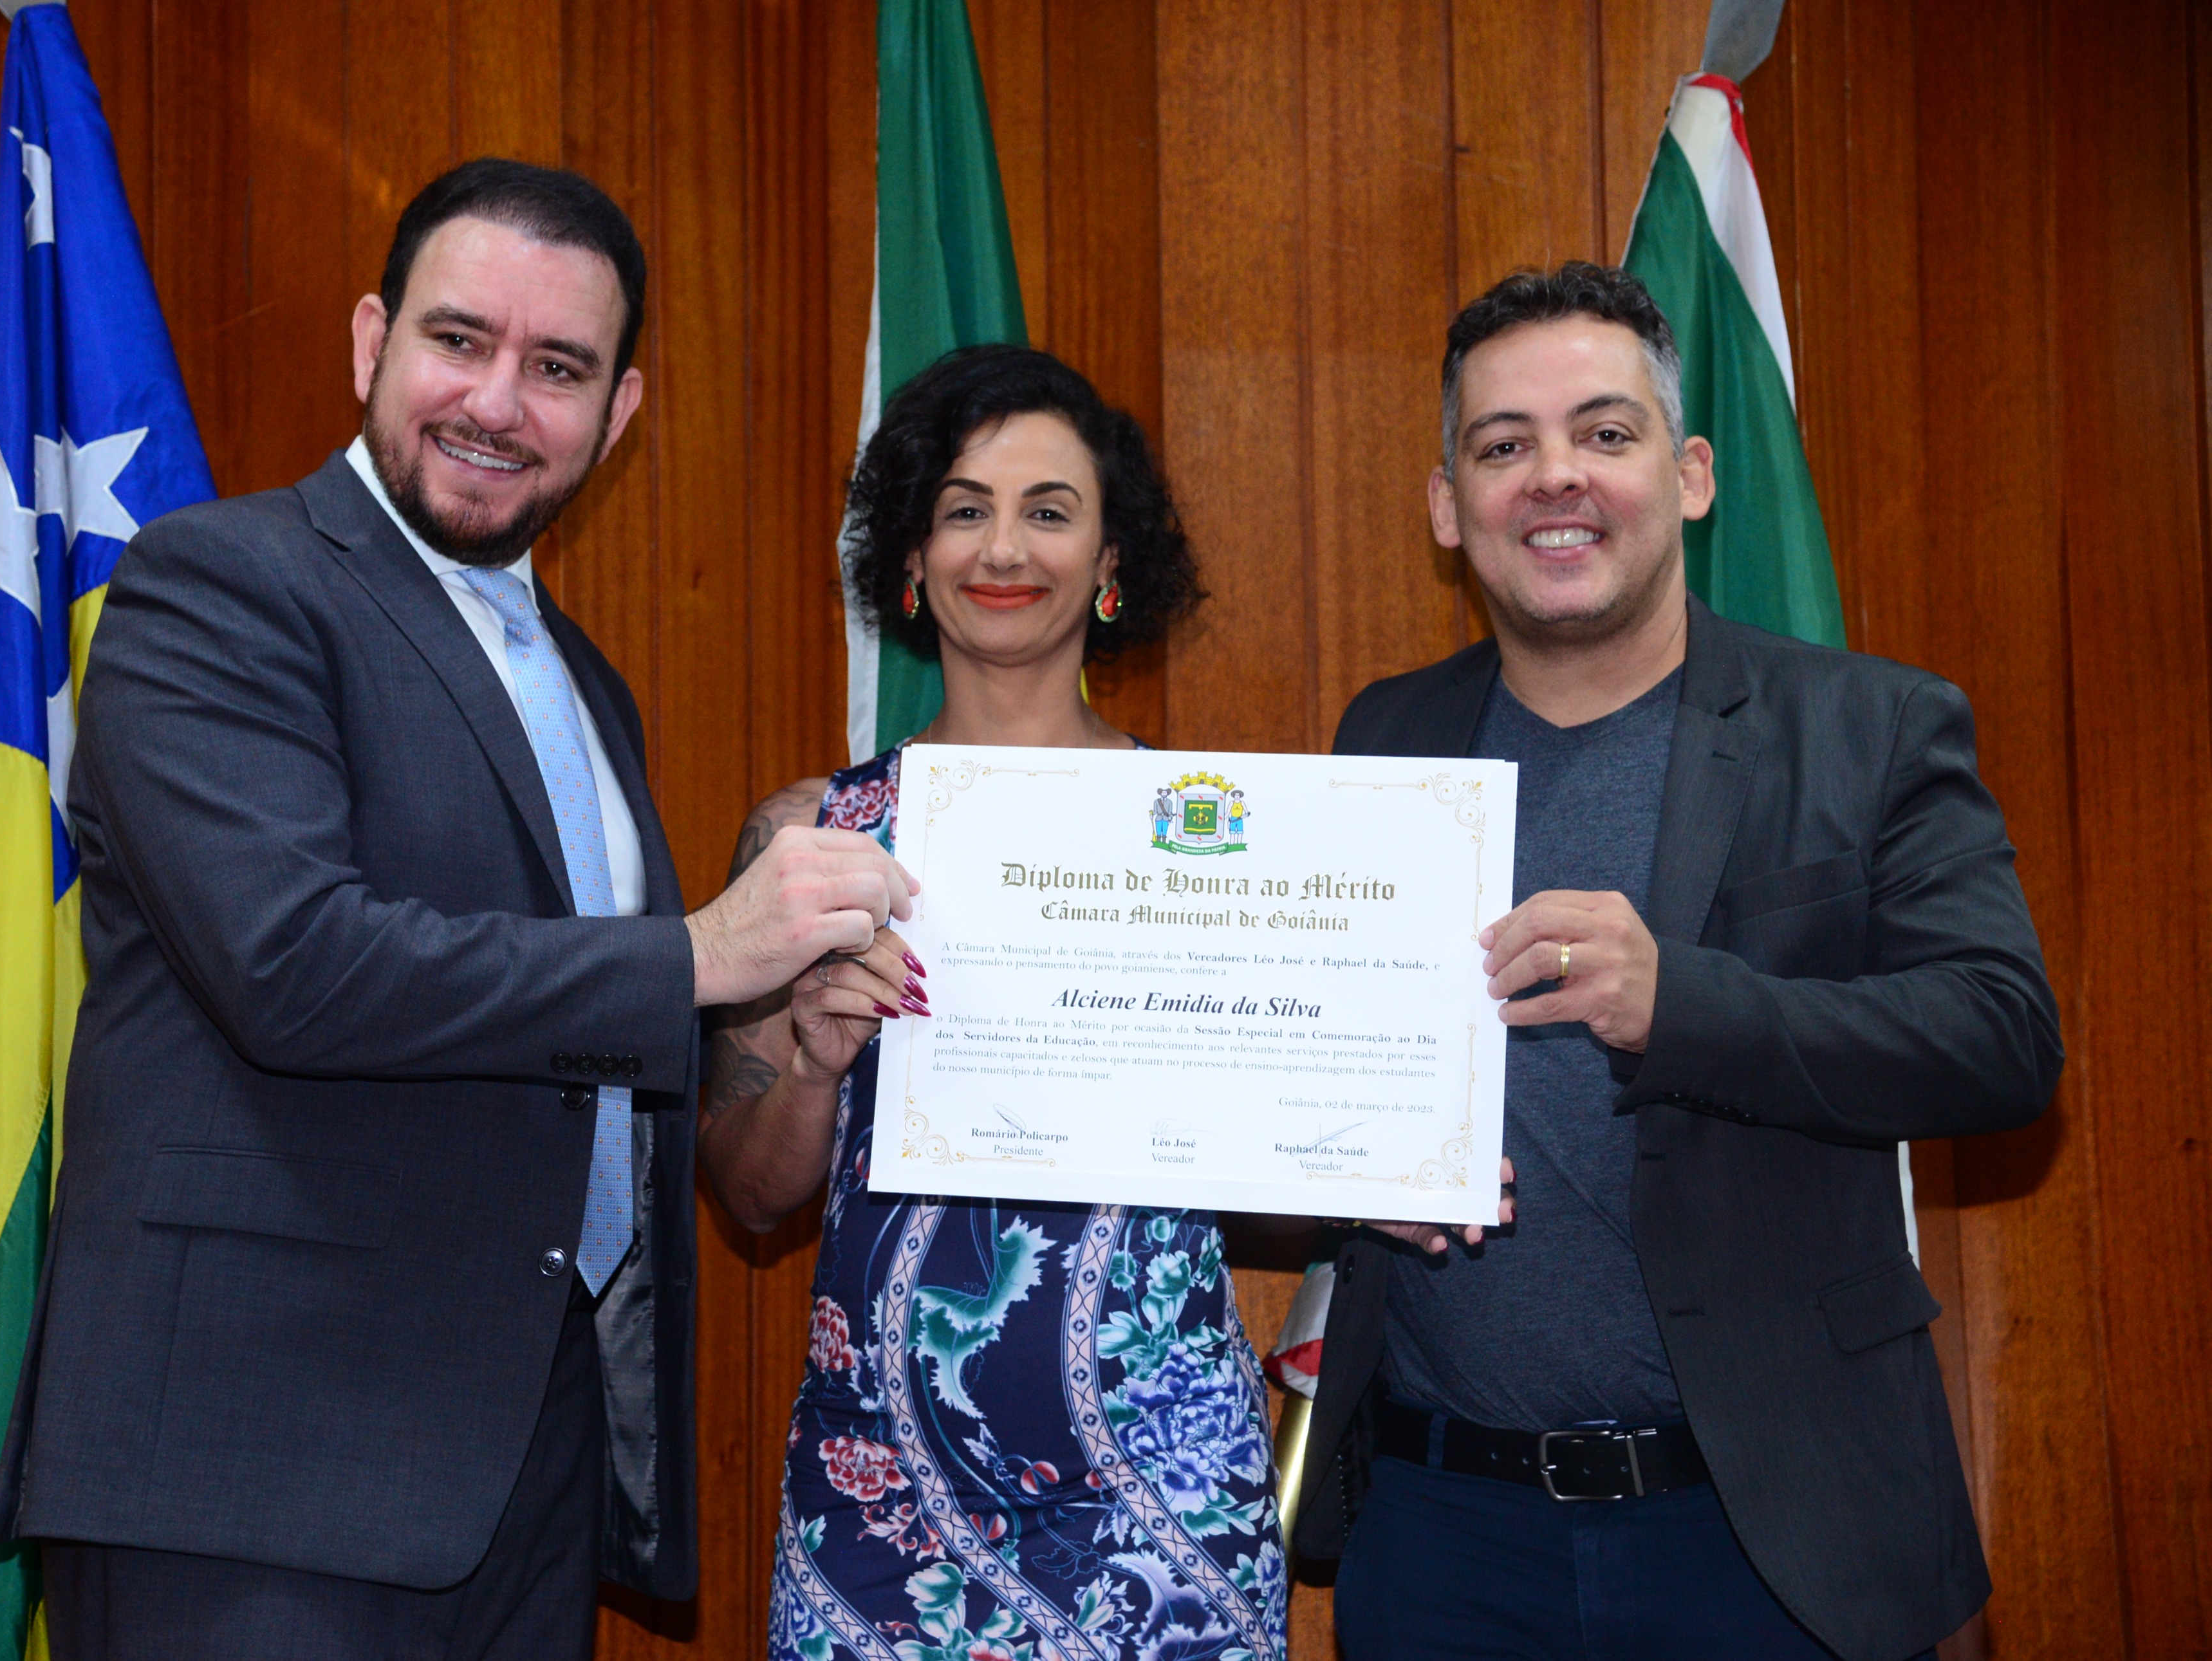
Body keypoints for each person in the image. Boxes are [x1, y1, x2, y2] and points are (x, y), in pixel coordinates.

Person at [0, 160, 915, 1661]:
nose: (497, 401)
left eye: (558, 367)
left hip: (521, 1473)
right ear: (372, 342)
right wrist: (697, 954)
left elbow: (588, 1049)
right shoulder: (216, 583)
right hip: (252, 1471)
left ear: (618, 411)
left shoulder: (585, 683)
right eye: (458, 339)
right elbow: (293, 963)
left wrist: (789, 1029)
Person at [1299, 263, 2061, 1661]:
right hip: (1443, 1526)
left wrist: (1682, 1004)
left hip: (1775, 1528)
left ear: (1691, 473)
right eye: (1504, 446)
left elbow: (2002, 1039)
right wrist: (1341, 1161)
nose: (1555, 476)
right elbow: (1325, 1049)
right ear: (1447, 507)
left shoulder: (1871, 725)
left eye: (1604, 432)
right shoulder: (1385, 735)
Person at [700, 346, 1292, 1661]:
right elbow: (747, 1193)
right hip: (881, 1494)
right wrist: (814, 1063)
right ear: (911, 557)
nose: (1004, 547)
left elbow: (1284, 1140)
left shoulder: (1222, 840)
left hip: (1170, 1488)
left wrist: (1398, 1155)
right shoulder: (810, 840)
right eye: (964, 509)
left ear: (1110, 556)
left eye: (1048, 509)